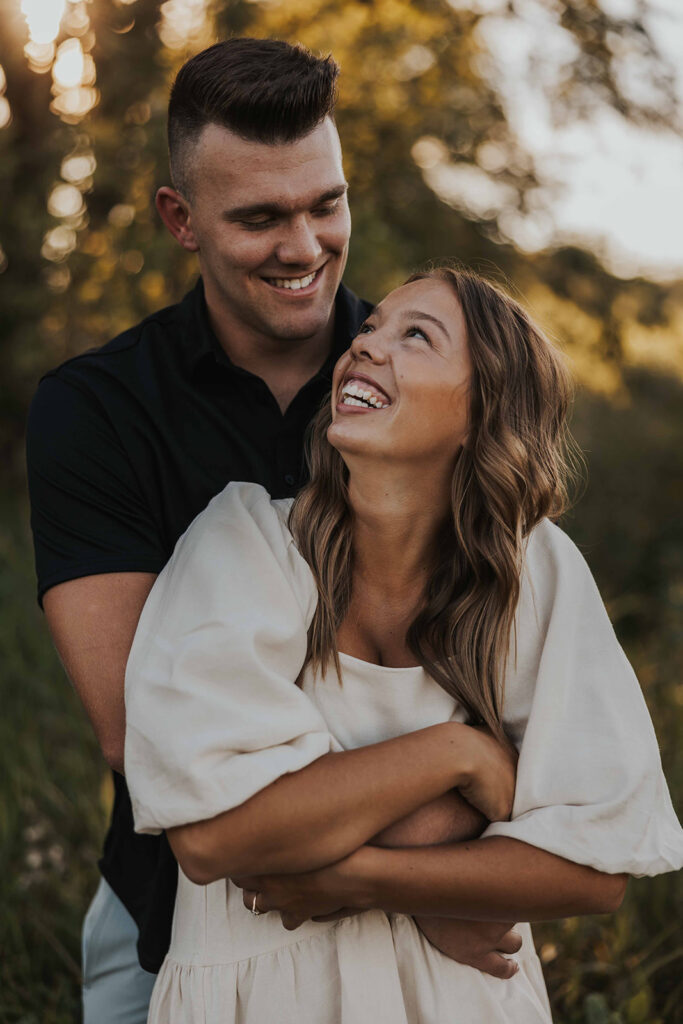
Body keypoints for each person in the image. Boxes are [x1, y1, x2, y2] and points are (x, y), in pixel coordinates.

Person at [124, 267, 683, 1023]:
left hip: (468, 994)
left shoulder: (534, 569)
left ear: (481, 410)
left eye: (414, 335)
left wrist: (362, 879)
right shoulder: (244, 540)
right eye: (368, 328)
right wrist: (460, 758)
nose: (363, 348)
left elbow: (592, 870)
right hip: (255, 995)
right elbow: (216, 836)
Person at [26, 37, 371, 1024]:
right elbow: (152, 745)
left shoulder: (433, 386)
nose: (303, 246)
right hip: (172, 919)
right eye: (259, 217)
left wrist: (397, 881)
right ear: (179, 219)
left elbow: (494, 693)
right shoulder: (95, 411)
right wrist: (436, 793)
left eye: (325, 204)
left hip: (422, 915)